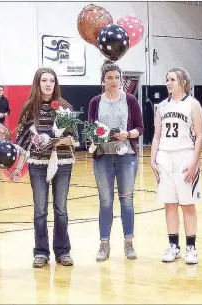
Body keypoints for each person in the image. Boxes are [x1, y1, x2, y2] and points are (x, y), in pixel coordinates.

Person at [14, 68, 79, 268]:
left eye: (52, 80)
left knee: (61, 210)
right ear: (38, 83)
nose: (48, 84)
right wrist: (17, 167)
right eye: (44, 80)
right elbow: (22, 141)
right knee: (40, 210)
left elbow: (74, 139)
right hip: (38, 165)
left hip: (62, 162)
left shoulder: (65, 108)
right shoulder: (29, 108)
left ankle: (63, 251)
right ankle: (41, 252)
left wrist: (55, 142)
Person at [88, 62, 144, 262]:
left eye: (117, 78)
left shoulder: (130, 100)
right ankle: (104, 244)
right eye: (109, 78)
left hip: (126, 156)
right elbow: (90, 129)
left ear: (122, 79)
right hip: (103, 157)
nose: (113, 81)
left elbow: (140, 128)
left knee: (126, 200)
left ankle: (129, 243)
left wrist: (127, 134)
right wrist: (94, 138)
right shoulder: (95, 102)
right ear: (103, 80)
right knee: (105, 202)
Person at [151, 67, 202, 265]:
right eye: (167, 79)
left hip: (185, 155)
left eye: (172, 79)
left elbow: (200, 136)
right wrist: (152, 159)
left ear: (183, 82)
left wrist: (195, 162)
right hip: (165, 156)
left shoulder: (193, 104)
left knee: (188, 204)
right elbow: (156, 136)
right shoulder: (161, 106)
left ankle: (191, 247)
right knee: (170, 204)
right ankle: (173, 246)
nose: (168, 83)